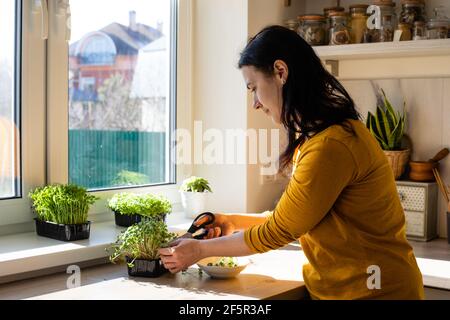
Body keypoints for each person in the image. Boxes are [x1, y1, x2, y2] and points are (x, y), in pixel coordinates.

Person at [159, 26, 424, 300]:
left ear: (281, 72)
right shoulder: (320, 137)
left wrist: (200, 250)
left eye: (253, 88)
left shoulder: (331, 146)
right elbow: (291, 217)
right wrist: (230, 221)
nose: (255, 104)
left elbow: (280, 231)